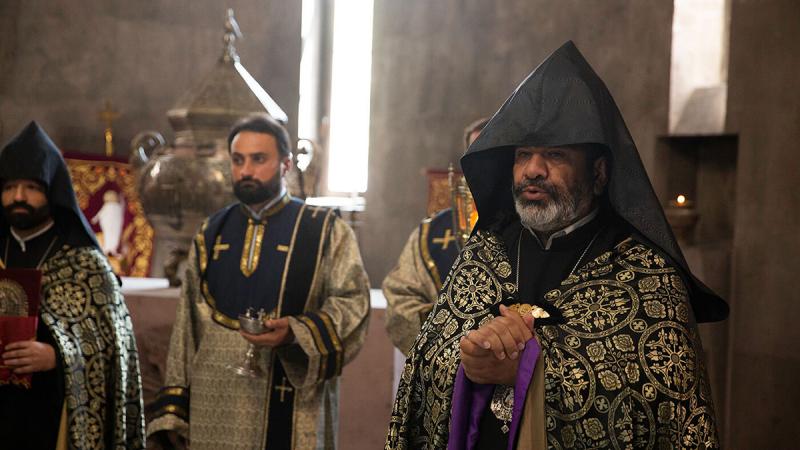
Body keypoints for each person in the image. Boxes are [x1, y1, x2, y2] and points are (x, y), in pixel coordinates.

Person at [385, 41, 727, 450]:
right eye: (523, 154)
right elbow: (426, 368)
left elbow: (659, 409)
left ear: (599, 174)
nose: (533, 169)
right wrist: (470, 361)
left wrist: (527, 369)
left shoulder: (648, 275)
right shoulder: (483, 255)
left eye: (555, 154)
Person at [147, 115, 371, 449]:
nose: (246, 170)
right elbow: (186, 326)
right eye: (238, 160)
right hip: (215, 402)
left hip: (293, 400)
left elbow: (354, 302)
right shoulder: (212, 231)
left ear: (285, 165)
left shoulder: (325, 230)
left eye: (258, 159)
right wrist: (175, 408)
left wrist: (297, 332)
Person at [0, 121, 145, 449]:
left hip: (49, 414)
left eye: (31, 187)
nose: (18, 197)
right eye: (9, 187)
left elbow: (114, 350)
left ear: (52, 191)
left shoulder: (85, 263)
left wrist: (57, 356)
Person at [383, 117, 488, 355]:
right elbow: (400, 298)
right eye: (475, 155)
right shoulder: (432, 232)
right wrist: (452, 330)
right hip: (443, 361)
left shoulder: (532, 226)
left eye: (492, 154)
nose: (483, 165)